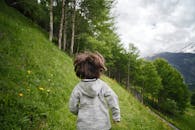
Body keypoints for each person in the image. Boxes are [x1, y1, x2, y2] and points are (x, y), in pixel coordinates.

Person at [69, 52, 120, 130]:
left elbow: (72, 107)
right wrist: (116, 116)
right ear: (99, 70)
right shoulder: (103, 86)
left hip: (84, 126)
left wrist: (79, 113)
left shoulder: (78, 88)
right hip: (103, 125)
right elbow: (113, 97)